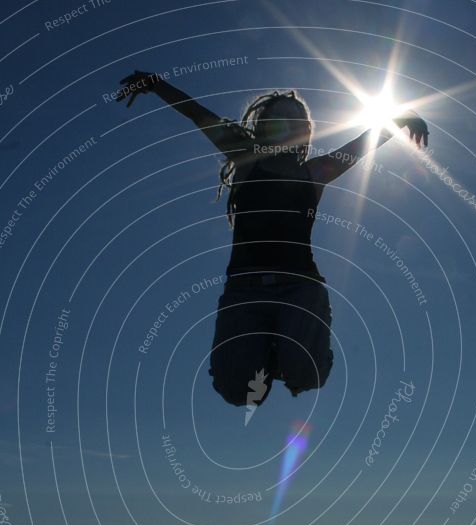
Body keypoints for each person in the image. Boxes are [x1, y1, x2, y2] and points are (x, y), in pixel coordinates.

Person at [116, 71, 428, 408]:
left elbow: (359, 147)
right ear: (264, 126)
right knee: (236, 392)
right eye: (279, 119)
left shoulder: (315, 172)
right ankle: (269, 350)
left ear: (306, 133)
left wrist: (399, 120)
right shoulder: (246, 159)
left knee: (306, 375)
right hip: (245, 289)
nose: (287, 125)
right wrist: (155, 84)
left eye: (297, 121)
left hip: (300, 287)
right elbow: (197, 113)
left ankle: (293, 352)